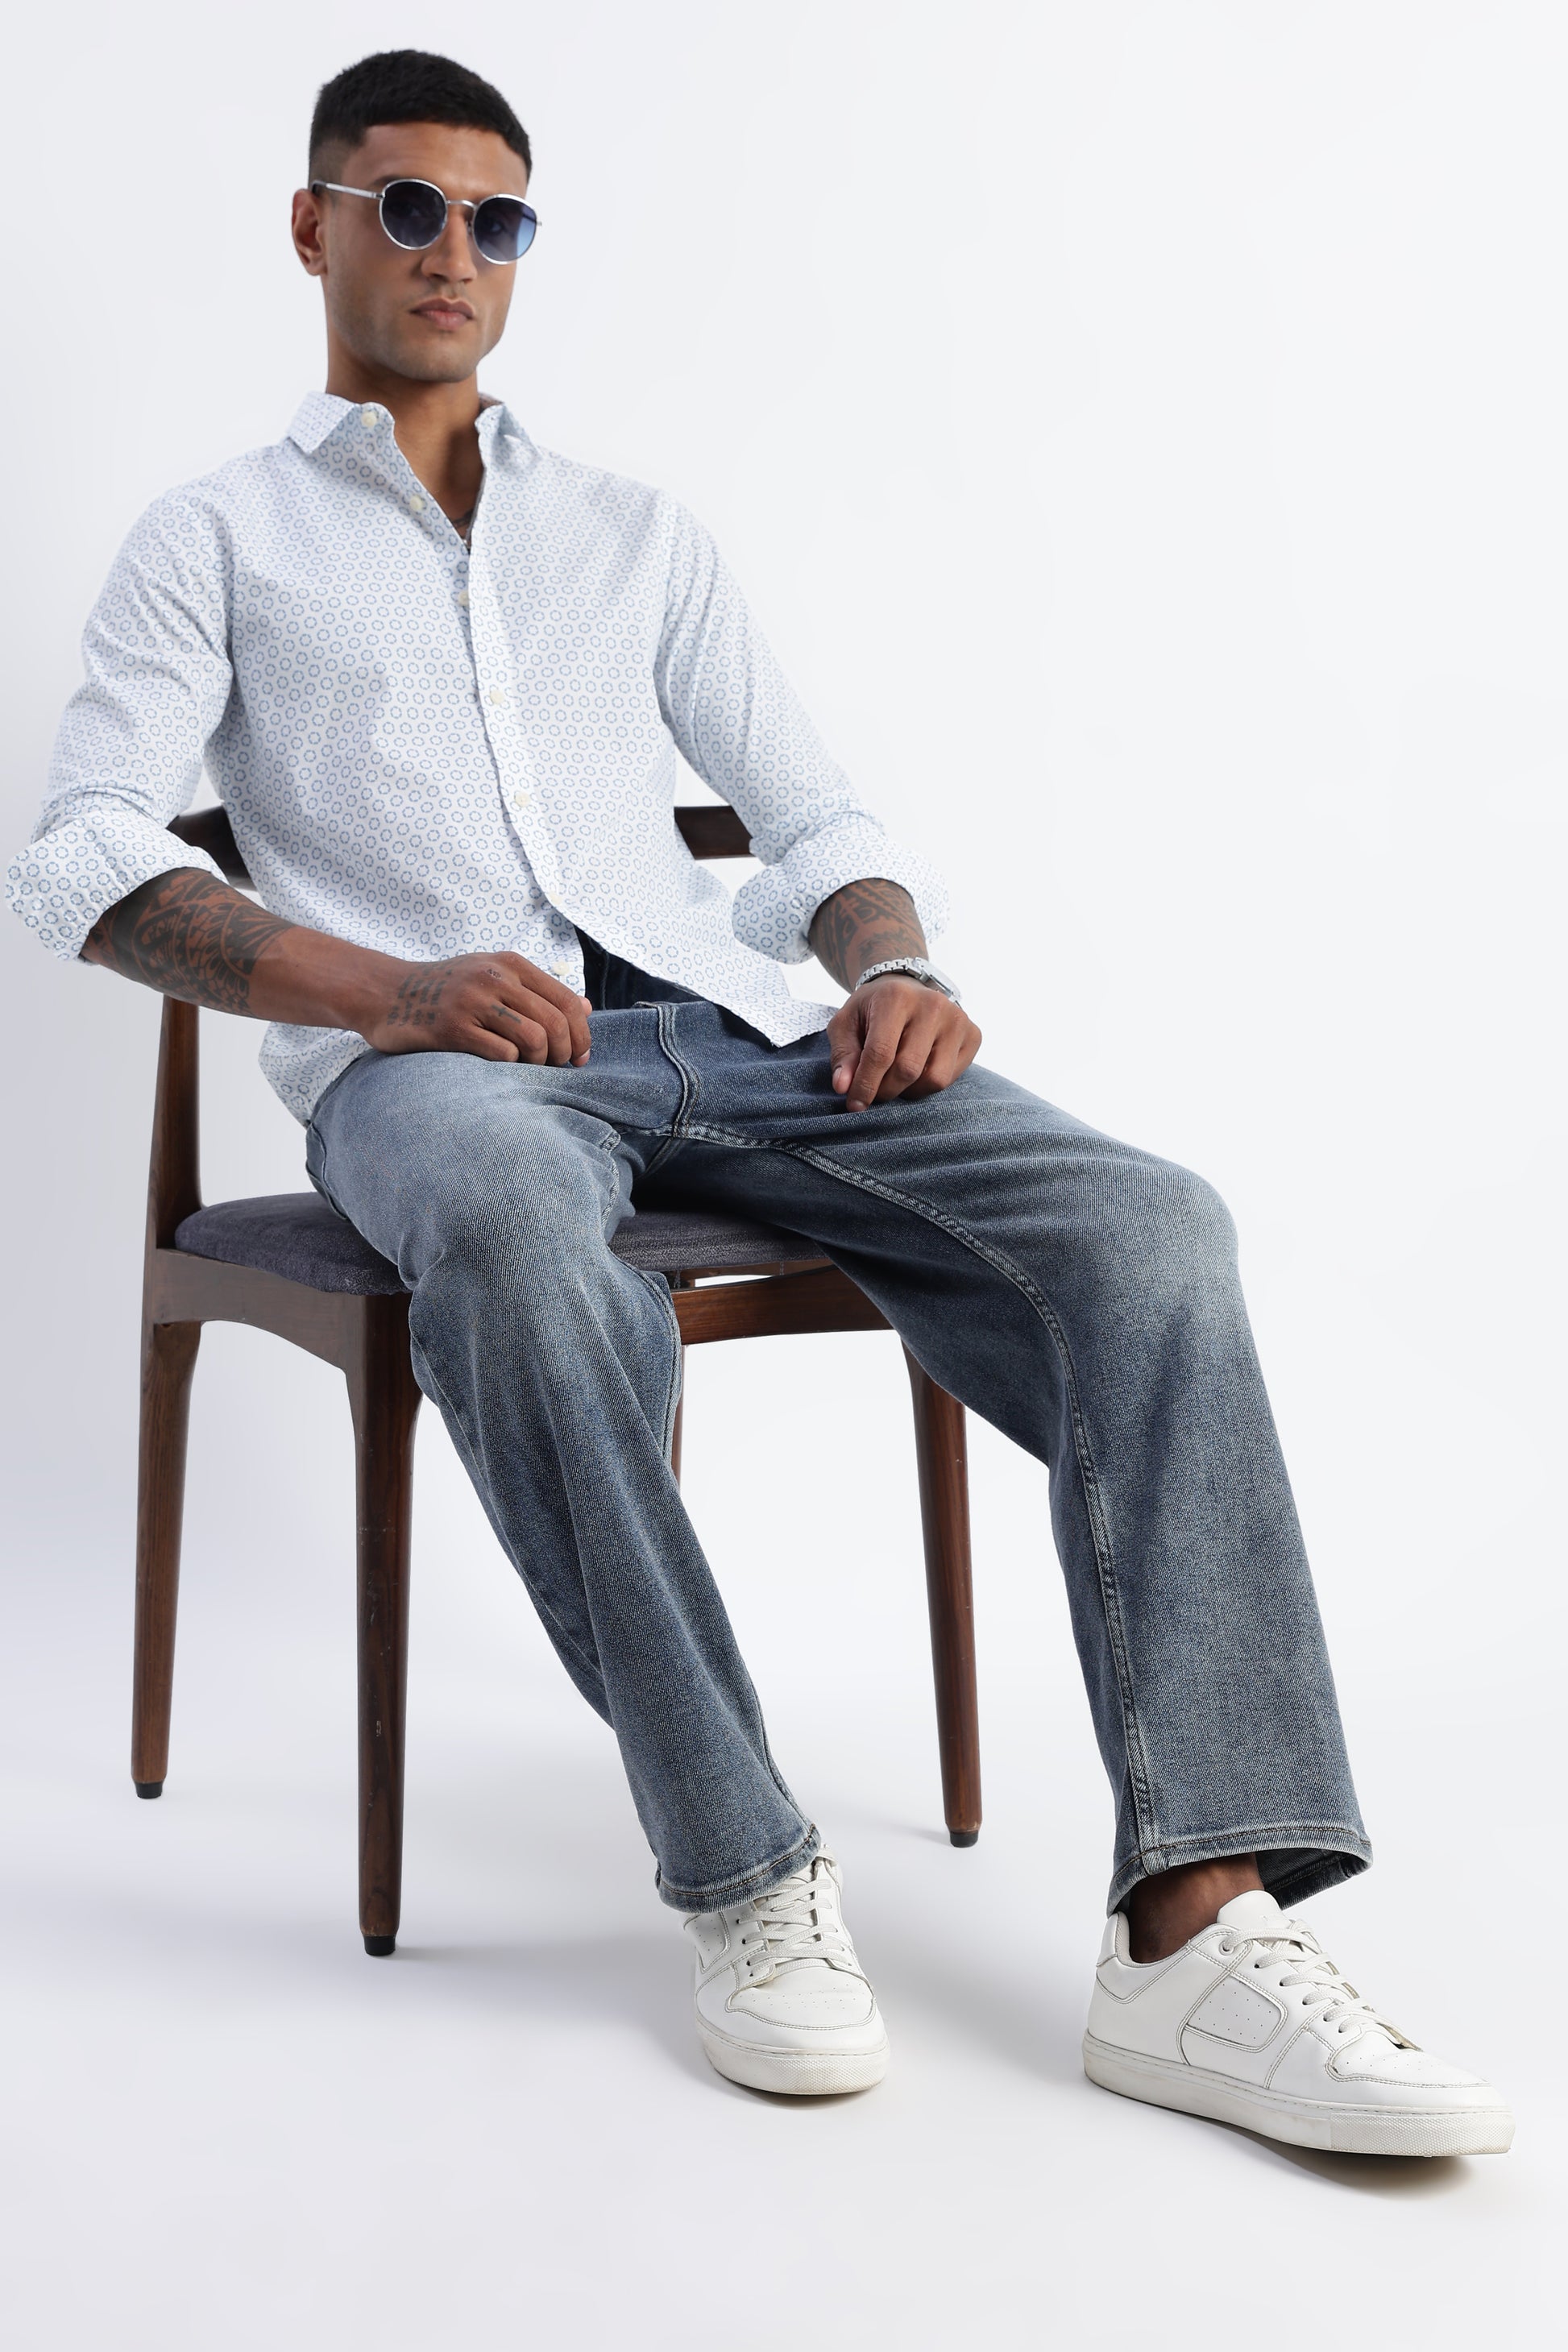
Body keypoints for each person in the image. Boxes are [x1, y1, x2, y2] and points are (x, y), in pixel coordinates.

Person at [8, 47, 1510, 2155]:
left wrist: (890, 966)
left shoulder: (635, 536)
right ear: (313, 225)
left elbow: (815, 820)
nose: (453, 251)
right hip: (434, 1077)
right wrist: (390, 988)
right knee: (520, 1248)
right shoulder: (215, 541)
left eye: (496, 219)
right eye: (408, 206)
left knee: (1152, 1226)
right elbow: (78, 854)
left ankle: (1195, 1928)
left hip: (730, 1036)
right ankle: (741, 1866)